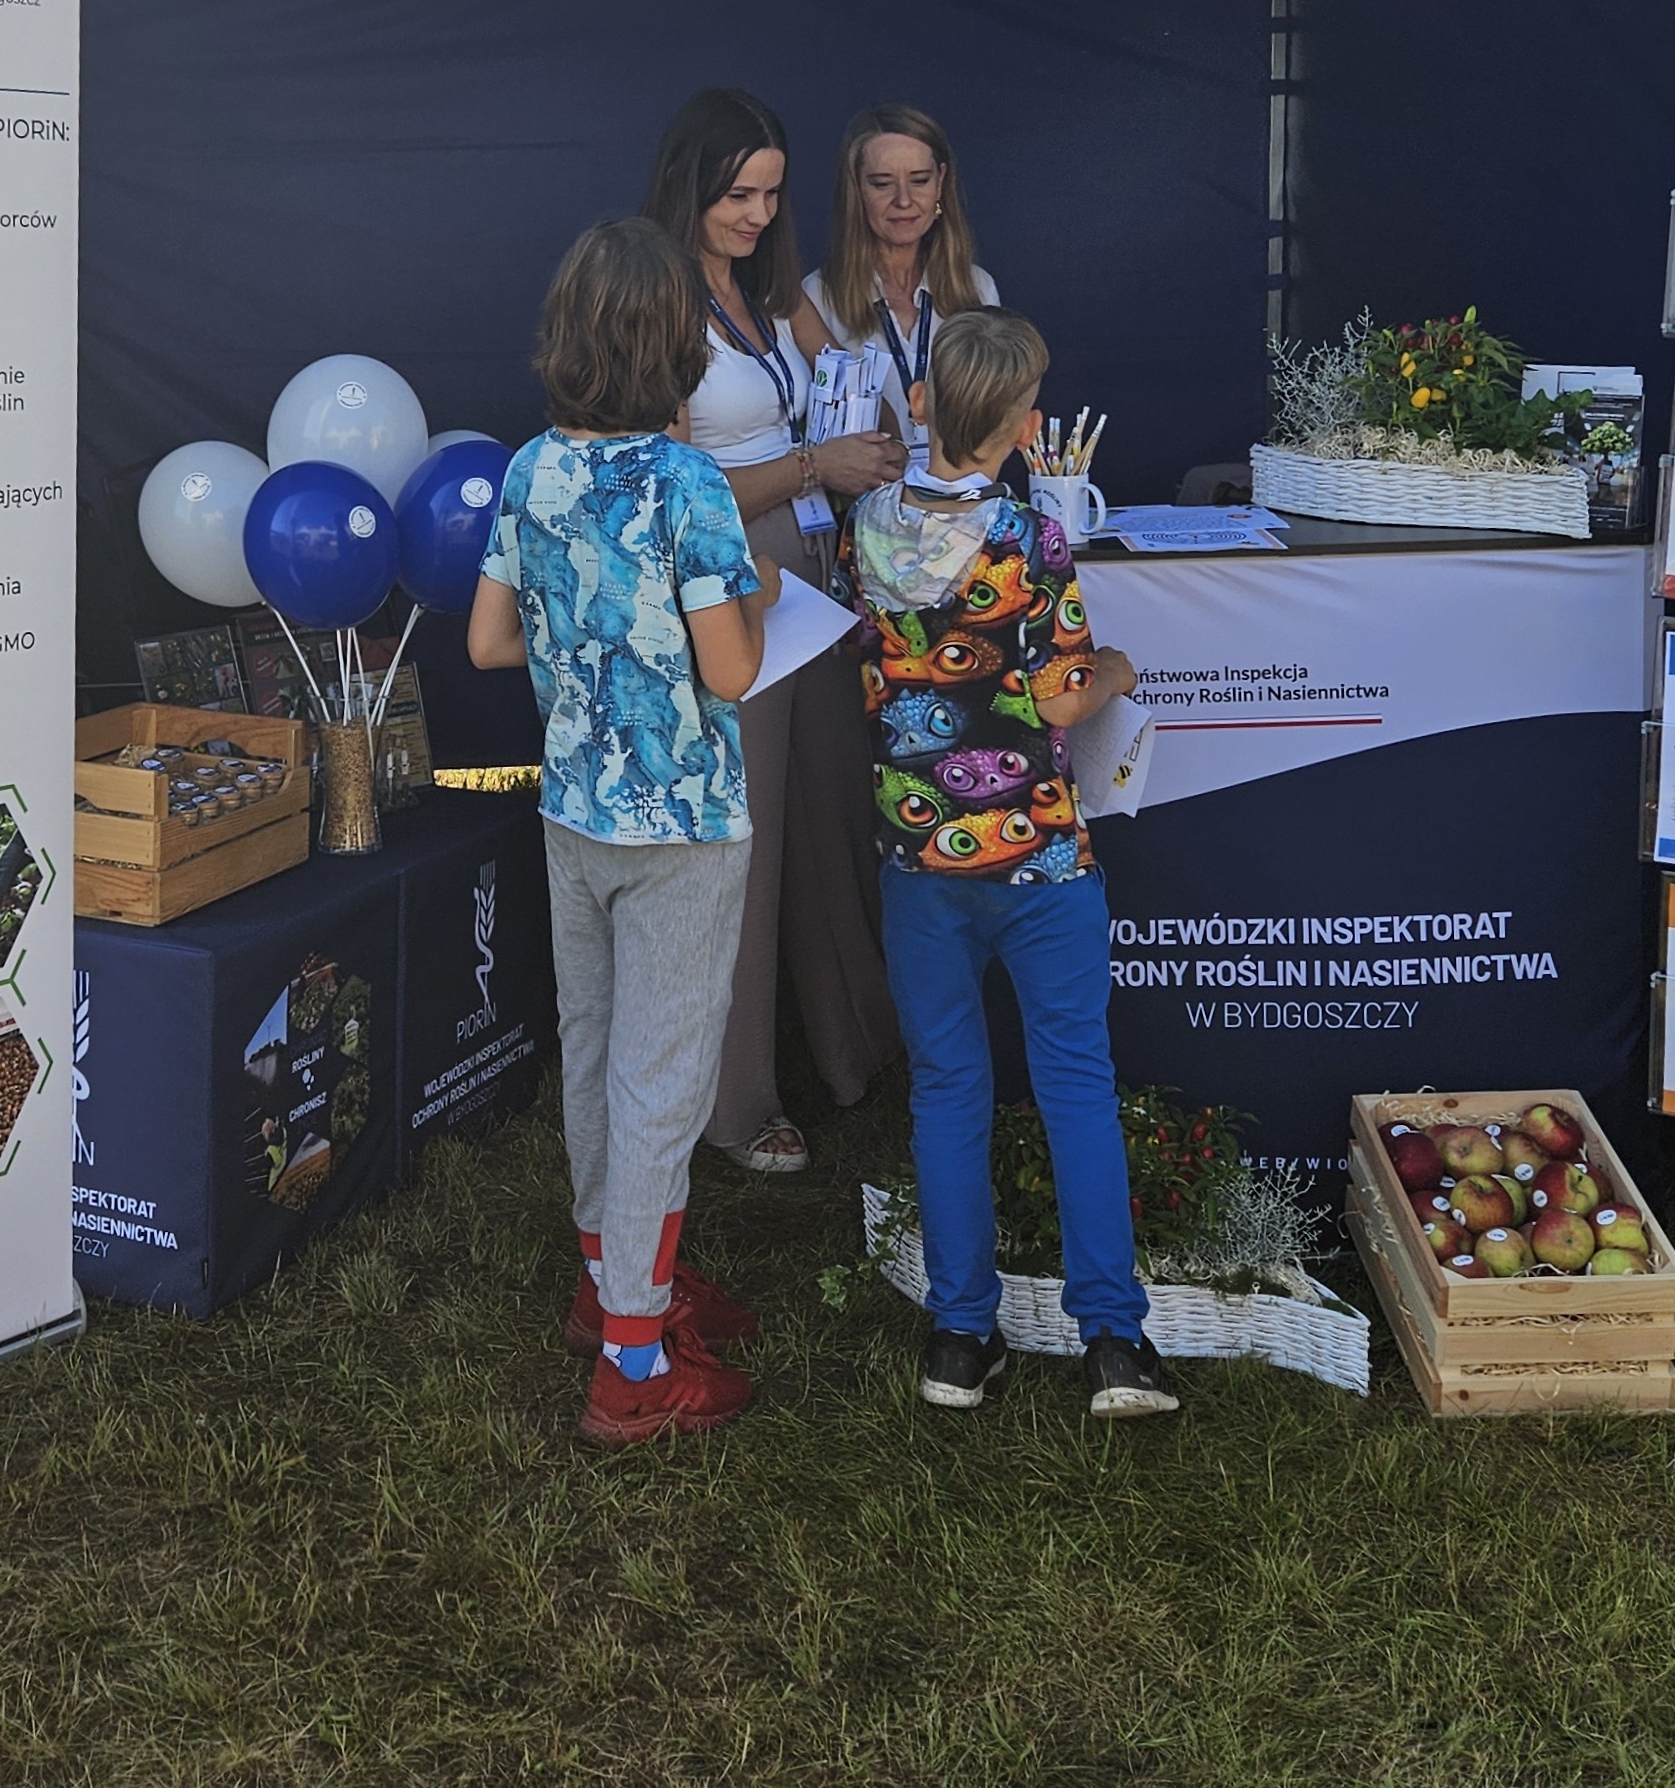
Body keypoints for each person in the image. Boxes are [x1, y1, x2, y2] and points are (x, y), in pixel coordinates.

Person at [469, 216, 774, 1447]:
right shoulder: (689, 485)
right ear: (675, 347)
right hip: (683, 821)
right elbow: (734, 670)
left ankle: (610, 1284)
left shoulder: (530, 467)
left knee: (596, 1050)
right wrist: (752, 599)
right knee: (662, 1079)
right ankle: (634, 1360)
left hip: (572, 808)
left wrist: (585, 645)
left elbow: (489, 640)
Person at [847, 307, 1174, 1421]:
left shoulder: (863, 524)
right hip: (1038, 856)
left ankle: (959, 1336)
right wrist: (1118, 665)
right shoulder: (1031, 538)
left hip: (919, 856)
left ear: (922, 401)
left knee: (948, 1086)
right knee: (1074, 1081)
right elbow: (1060, 695)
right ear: (1029, 428)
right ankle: (1113, 1343)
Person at [645, 88, 904, 1177]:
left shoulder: (764, 291)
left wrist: (862, 442)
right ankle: (735, 1100)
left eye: (770, 193)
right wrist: (811, 466)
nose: (757, 214)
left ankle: (855, 1054)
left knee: (832, 810)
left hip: (812, 576)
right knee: (741, 843)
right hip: (730, 581)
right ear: (690, 188)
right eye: (736, 195)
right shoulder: (658, 301)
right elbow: (665, 482)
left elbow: (847, 373)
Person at [804, 103, 999, 450]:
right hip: (860, 485)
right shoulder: (817, 297)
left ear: (941, 181)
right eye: (882, 184)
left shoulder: (977, 289)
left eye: (919, 180)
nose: (904, 201)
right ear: (856, 190)